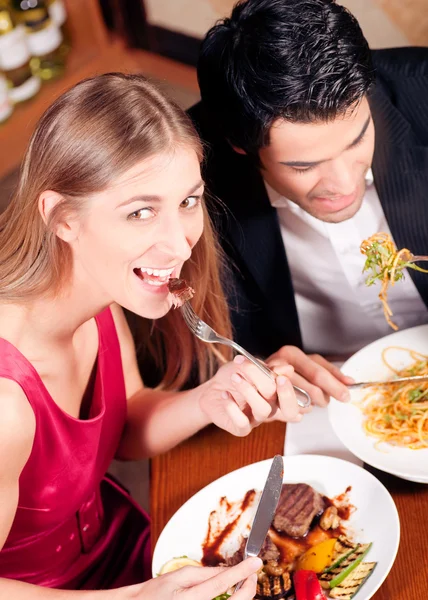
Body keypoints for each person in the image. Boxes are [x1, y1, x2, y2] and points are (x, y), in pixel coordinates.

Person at [0, 72, 306, 597]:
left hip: (131, 550)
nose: (180, 245)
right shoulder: (5, 403)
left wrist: (211, 399)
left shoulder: (96, 292)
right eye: (141, 212)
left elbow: (121, 423)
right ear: (61, 217)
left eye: (188, 201)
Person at [189, 0, 428, 405]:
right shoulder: (191, 170)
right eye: (304, 166)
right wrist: (258, 367)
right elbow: (190, 356)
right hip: (317, 401)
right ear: (240, 146)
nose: (344, 182)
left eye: (357, 141)